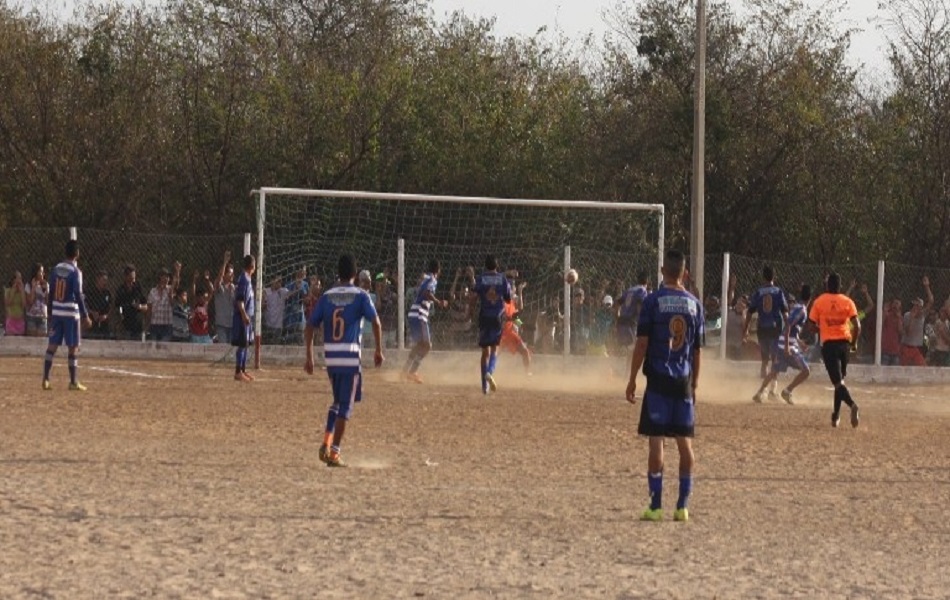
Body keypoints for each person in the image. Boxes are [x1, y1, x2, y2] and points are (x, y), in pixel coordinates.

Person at [625, 249, 703, 523]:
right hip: (682, 381)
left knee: (656, 443)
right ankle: (682, 507)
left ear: (662, 271)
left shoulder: (653, 301)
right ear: (685, 272)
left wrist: (633, 378)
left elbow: (643, 343)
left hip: (658, 380)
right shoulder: (695, 305)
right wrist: (694, 384)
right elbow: (696, 352)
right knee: (685, 445)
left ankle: (656, 506)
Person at [305, 255, 384, 468]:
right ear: (354, 275)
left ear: (338, 273)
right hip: (349, 359)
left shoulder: (326, 296)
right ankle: (335, 452)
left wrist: (309, 355)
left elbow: (310, 325)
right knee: (345, 408)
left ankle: (326, 443)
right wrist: (378, 350)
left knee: (337, 402)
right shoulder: (361, 296)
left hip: (331, 359)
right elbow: (376, 322)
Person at [809, 272, 861, 428]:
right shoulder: (848, 302)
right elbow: (857, 326)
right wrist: (853, 343)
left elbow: (811, 325)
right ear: (840, 286)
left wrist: (823, 329)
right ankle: (836, 416)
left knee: (838, 383)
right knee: (840, 381)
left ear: (827, 285)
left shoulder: (819, 302)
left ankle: (852, 405)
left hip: (829, 345)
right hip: (844, 344)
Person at [42, 240, 93, 391]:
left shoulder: (56, 269)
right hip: (71, 313)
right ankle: (73, 382)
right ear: (77, 254)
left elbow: (51, 293)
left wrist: (50, 311)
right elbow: (78, 294)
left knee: (52, 346)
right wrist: (85, 315)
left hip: (57, 312)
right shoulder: (76, 272)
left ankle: (45, 379)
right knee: (73, 347)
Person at [753, 284, 812, 404]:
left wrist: (799, 342)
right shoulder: (802, 309)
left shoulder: (797, 307)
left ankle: (759, 393)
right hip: (788, 346)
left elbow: (791, 329)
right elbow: (789, 325)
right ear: (810, 298)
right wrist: (786, 346)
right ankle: (787, 391)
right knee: (806, 371)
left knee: (774, 370)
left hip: (784, 343)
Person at [469, 255, 512, 394]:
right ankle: (490, 372)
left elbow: (474, 296)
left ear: (486, 266)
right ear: (496, 266)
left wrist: (470, 311)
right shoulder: (502, 279)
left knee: (484, 352)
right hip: (497, 318)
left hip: (484, 317)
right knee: (495, 349)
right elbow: (508, 298)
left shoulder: (481, 278)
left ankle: (484, 387)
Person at [743, 265, 789, 391]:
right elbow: (785, 313)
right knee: (775, 359)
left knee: (764, 360)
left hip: (762, 328)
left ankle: (762, 388)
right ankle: (772, 389)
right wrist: (788, 330)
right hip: (775, 329)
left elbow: (749, 312)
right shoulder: (778, 292)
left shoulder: (758, 292)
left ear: (763, 277)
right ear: (774, 277)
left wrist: (745, 330)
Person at [403, 259, 448, 383]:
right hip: (419, 314)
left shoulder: (425, 278)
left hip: (413, 313)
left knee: (419, 345)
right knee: (427, 345)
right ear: (438, 270)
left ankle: (405, 370)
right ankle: (412, 372)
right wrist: (439, 302)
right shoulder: (432, 279)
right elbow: (428, 293)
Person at [231, 255, 257, 382]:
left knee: (246, 344)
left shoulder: (248, 279)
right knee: (242, 344)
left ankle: (243, 369)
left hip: (247, 316)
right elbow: (240, 300)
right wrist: (244, 314)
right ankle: (238, 371)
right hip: (242, 317)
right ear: (252, 266)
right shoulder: (243, 280)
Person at [900, 277, 933, 366]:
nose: (916, 307)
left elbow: (931, 301)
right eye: (915, 305)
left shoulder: (922, 315)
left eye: (918, 306)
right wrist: (912, 318)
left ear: (921, 308)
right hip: (906, 347)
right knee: (903, 369)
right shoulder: (907, 315)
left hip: (916, 348)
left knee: (923, 367)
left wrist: (927, 287)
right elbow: (908, 332)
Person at [616, 272, 650, 350]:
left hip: (622, 323)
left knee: (629, 350)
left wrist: (617, 317)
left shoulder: (629, 290)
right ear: (647, 282)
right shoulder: (642, 291)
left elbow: (617, 304)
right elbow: (639, 306)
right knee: (636, 349)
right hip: (632, 324)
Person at [147, 264, 180, 342]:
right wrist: (147, 324)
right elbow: (149, 309)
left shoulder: (169, 290)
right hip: (155, 324)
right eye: (164, 276)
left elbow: (176, 285)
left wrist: (177, 272)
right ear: (159, 277)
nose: (166, 279)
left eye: (168, 277)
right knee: (153, 346)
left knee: (164, 346)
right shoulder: (152, 291)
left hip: (166, 325)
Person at [115, 265, 147, 340]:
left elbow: (146, 306)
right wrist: (121, 314)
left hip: (138, 325)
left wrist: (139, 307)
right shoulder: (121, 290)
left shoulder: (138, 288)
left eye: (134, 278)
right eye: (131, 278)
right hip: (126, 325)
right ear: (126, 277)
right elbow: (118, 306)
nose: (133, 280)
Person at [213, 251, 235, 343]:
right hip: (221, 324)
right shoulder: (219, 287)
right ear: (224, 274)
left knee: (231, 349)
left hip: (232, 324)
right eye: (229, 273)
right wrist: (225, 262)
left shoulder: (234, 288)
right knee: (223, 347)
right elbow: (219, 279)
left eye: (232, 273)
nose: (232, 275)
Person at [85, 270, 112, 339]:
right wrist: (92, 312)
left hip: (103, 320)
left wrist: (106, 315)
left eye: (106, 280)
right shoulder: (90, 292)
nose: (105, 282)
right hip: (92, 319)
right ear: (98, 279)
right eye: (103, 280)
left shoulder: (107, 293)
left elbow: (110, 307)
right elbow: (84, 305)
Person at [25, 263, 49, 337]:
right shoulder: (28, 285)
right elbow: (30, 302)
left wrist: (47, 290)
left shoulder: (46, 285)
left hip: (42, 317)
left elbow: (47, 302)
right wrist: (33, 288)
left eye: (43, 272)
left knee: (41, 342)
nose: (43, 274)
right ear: (36, 272)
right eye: (41, 271)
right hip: (32, 316)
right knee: (31, 341)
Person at [4, 271, 28, 336]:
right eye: (18, 278)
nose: (19, 280)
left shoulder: (22, 291)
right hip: (11, 320)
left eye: (20, 278)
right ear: (13, 280)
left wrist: (22, 292)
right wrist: (13, 292)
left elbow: (24, 305)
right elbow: (7, 303)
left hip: (20, 320)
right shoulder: (8, 290)